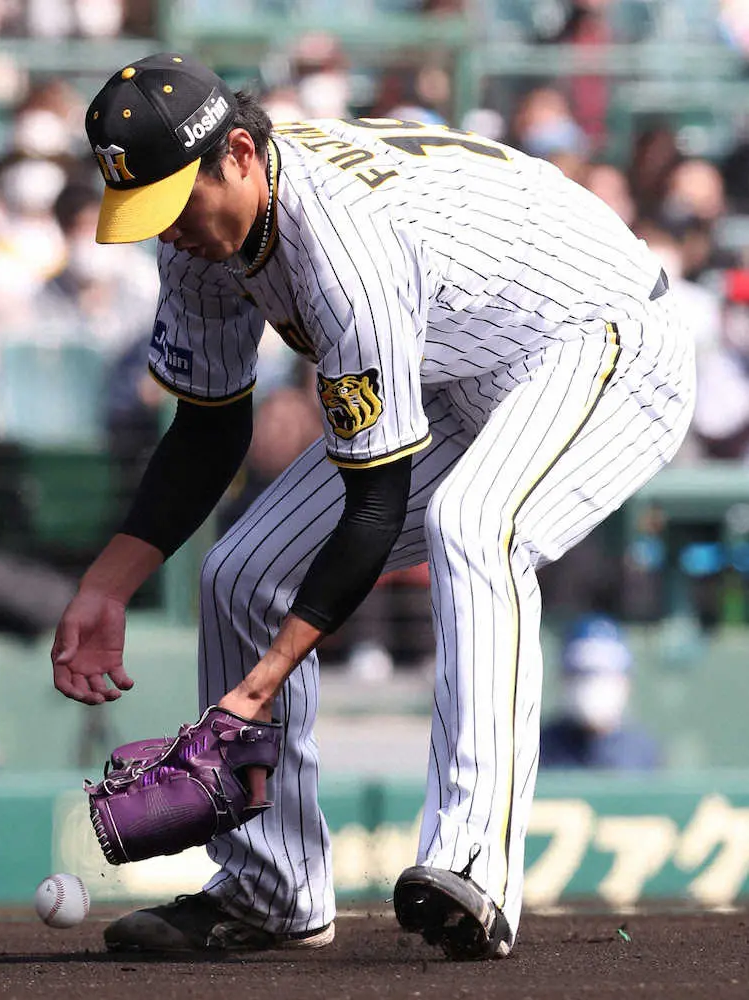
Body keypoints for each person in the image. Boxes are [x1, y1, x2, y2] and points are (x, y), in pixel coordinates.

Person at [50, 53, 694, 959]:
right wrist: (107, 586)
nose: (172, 232)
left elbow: (374, 505)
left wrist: (257, 688)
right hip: (462, 367)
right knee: (242, 573)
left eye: (176, 204)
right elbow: (207, 429)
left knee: (475, 525)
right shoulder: (202, 231)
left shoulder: (341, 245)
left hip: (604, 340)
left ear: (239, 153)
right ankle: (270, 891)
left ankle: (474, 864)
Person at [539, 614, 661, 771]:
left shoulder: (643, 752)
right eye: (582, 672)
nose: (594, 683)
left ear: (626, 682)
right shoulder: (539, 747)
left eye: (606, 672)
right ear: (563, 678)